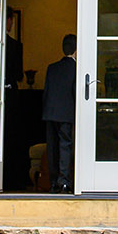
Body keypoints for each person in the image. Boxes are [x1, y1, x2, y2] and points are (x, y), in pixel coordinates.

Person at [41, 34, 76, 194]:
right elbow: (75, 92)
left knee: (52, 147)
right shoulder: (76, 68)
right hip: (66, 112)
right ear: (76, 50)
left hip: (50, 112)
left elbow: (46, 91)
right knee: (65, 146)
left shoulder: (52, 67)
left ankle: (53, 182)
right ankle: (64, 181)